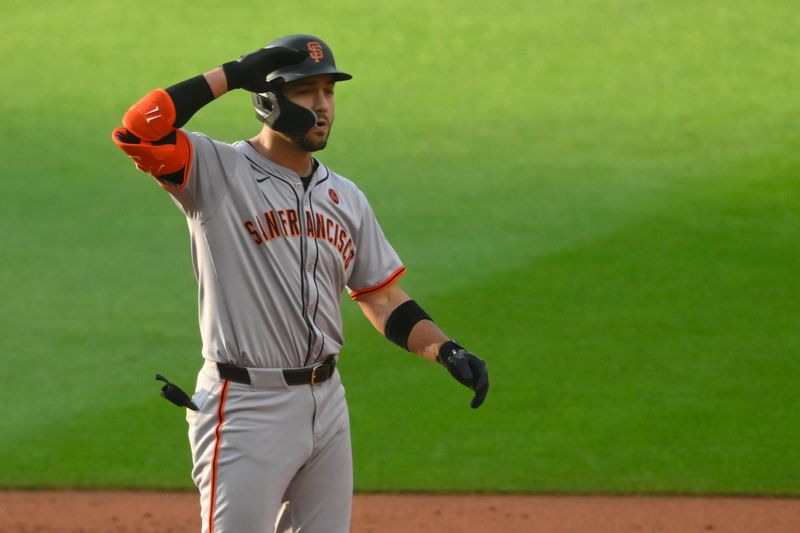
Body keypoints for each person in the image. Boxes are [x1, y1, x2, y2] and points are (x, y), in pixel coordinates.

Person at [112, 34, 489, 533]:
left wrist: (445, 349)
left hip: (327, 403)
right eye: (306, 91)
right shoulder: (215, 171)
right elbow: (140, 130)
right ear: (269, 100)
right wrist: (232, 73)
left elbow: (381, 297)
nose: (323, 105)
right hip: (245, 407)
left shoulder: (346, 197)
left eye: (329, 91)